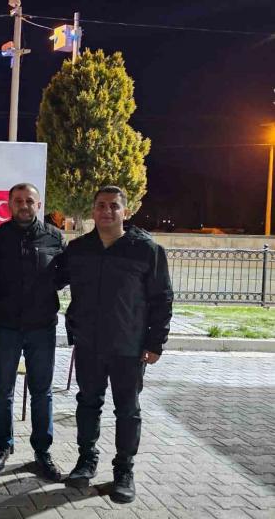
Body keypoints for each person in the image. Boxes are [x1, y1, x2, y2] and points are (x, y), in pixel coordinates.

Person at [57, 186, 173, 504]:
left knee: (127, 410)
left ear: (126, 211)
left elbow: (162, 298)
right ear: (93, 210)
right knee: (87, 404)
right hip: (88, 344)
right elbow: (49, 278)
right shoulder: (79, 249)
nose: (107, 211)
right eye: (101, 205)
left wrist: (156, 342)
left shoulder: (146, 250)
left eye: (113, 206)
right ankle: (86, 461)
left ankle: (124, 471)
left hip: (129, 346)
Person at [0, 183, 65, 481]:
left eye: (29, 201)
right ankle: (2, 445)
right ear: (9, 204)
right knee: (3, 389)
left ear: (38, 204)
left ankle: (42, 451)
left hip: (41, 327)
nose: (24, 205)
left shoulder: (54, 237)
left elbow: (63, 277)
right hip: (5, 326)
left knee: (41, 391)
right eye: (18, 201)